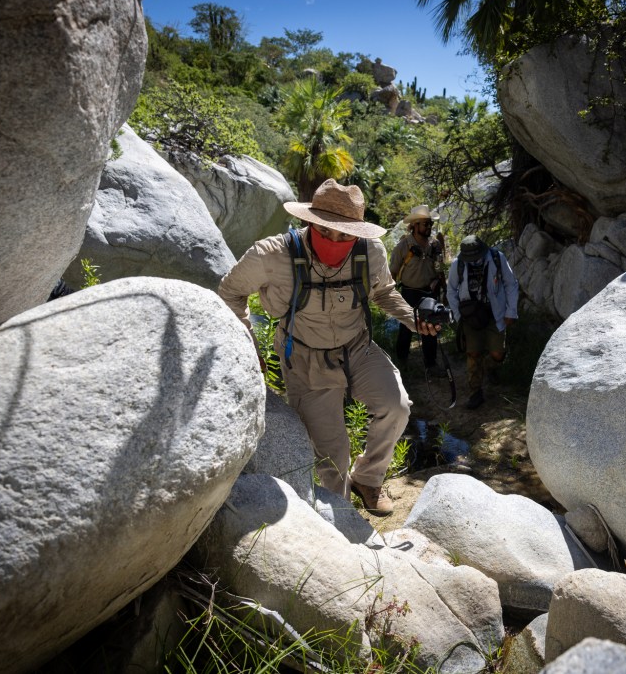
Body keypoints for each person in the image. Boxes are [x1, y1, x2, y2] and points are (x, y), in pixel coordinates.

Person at [217, 179, 439, 515]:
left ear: (358, 233)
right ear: (309, 222)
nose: (335, 241)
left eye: (346, 235)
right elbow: (230, 292)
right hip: (305, 360)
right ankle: (344, 523)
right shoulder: (271, 255)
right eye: (326, 231)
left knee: (397, 407)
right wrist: (249, 343)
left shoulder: (371, 252)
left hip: (358, 348)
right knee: (332, 458)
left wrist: (413, 320)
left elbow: (383, 293)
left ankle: (368, 478)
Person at [446, 235, 519, 410]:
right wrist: (458, 317)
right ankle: (475, 392)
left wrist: (511, 311)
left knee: (497, 354)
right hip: (470, 315)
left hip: (495, 313)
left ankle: (490, 368)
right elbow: (451, 290)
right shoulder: (459, 264)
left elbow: (511, 284)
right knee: (473, 354)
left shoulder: (496, 258)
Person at [389, 204, 445, 369]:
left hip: (430, 293)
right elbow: (392, 273)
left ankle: (431, 364)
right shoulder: (403, 247)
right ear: (414, 225)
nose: (429, 227)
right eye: (425, 223)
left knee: (431, 328)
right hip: (409, 293)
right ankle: (401, 362)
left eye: (430, 224)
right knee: (406, 327)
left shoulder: (435, 246)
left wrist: (443, 287)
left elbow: (440, 269)